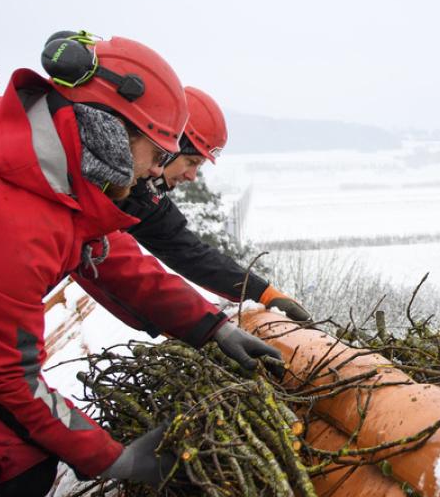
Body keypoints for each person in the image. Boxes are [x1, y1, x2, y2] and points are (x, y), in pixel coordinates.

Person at [0, 33, 281, 497]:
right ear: (110, 130)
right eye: (158, 153)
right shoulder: (7, 223)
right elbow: (9, 381)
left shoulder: (35, 163)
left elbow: (112, 259)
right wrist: (114, 459)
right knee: (17, 466)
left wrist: (212, 326)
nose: (158, 171)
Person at [119, 86, 311, 321]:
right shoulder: (107, 188)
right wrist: (205, 325)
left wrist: (264, 294)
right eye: (191, 161)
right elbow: (122, 269)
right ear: (166, 148)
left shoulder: (143, 198)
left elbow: (191, 254)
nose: (192, 176)